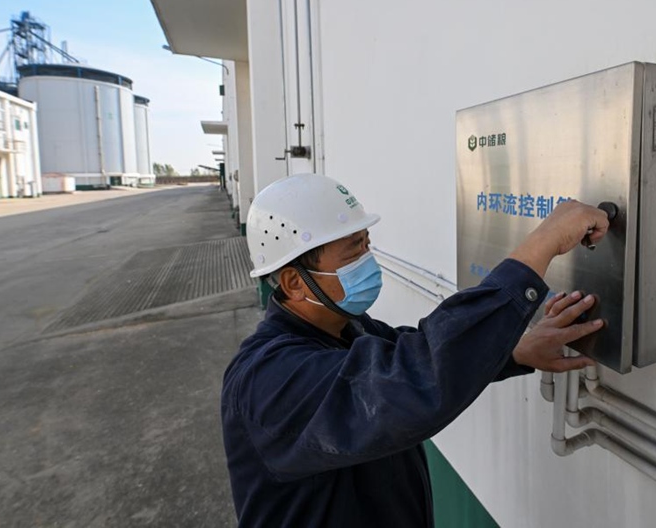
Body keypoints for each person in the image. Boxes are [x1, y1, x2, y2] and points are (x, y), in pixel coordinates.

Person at [221, 173, 609, 528]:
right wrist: (542, 245)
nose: (367, 261)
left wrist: (516, 352)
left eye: (366, 246)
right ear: (294, 282)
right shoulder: (268, 379)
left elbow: (419, 356)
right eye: (352, 253)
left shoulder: (348, 330)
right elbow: (411, 379)